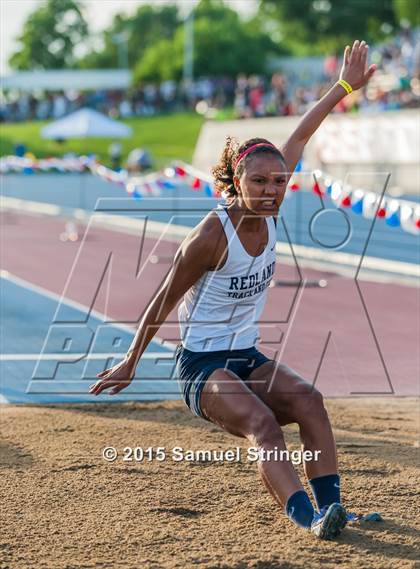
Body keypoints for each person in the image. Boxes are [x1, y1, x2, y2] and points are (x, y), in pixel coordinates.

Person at [90, 41, 376, 540]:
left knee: (309, 400)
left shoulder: (272, 201)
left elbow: (301, 132)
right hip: (203, 367)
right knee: (264, 425)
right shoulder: (211, 235)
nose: (271, 190)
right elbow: (163, 299)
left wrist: (346, 85)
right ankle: (307, 519)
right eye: (260, 182)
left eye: (279, 182)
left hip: (245, 354)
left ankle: (334, 508)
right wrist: (132, 361)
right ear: (237, 183)